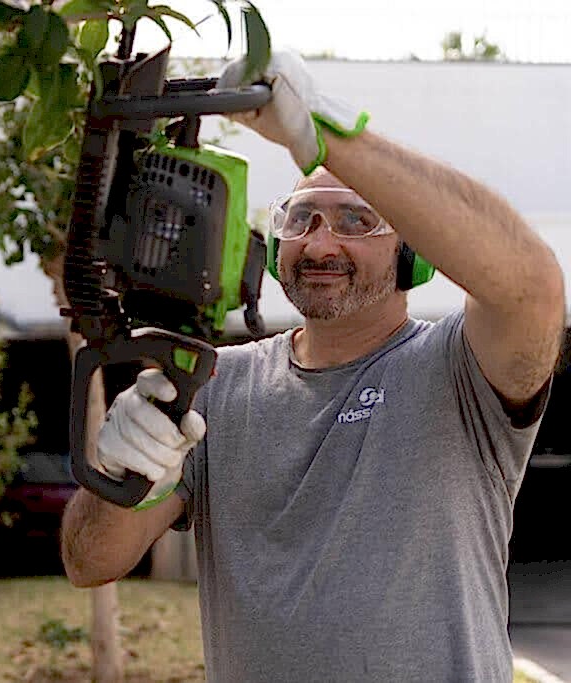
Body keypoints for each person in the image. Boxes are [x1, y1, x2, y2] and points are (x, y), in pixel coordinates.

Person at [60, 51, 566, 681]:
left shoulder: (461, 373)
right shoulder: (212, 385)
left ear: (415, 258)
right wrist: (121, 474)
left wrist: (326, 134)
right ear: (275, 251)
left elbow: (534, 288)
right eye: (303, 221)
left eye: (357, 221)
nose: (322, 243)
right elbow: (89, 563)